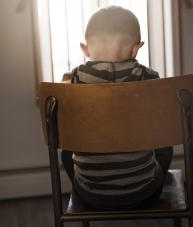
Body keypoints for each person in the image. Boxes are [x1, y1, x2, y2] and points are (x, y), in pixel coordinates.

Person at [61, 5, 173, 210]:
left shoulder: (74, 80)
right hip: (144, 193)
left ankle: (86, 186)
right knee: (164, 142)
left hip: (91, 197)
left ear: (85, 49)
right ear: (136, 48)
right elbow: (165, 122)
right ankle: (153, 177)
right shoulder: (148, 78)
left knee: (66, 148)